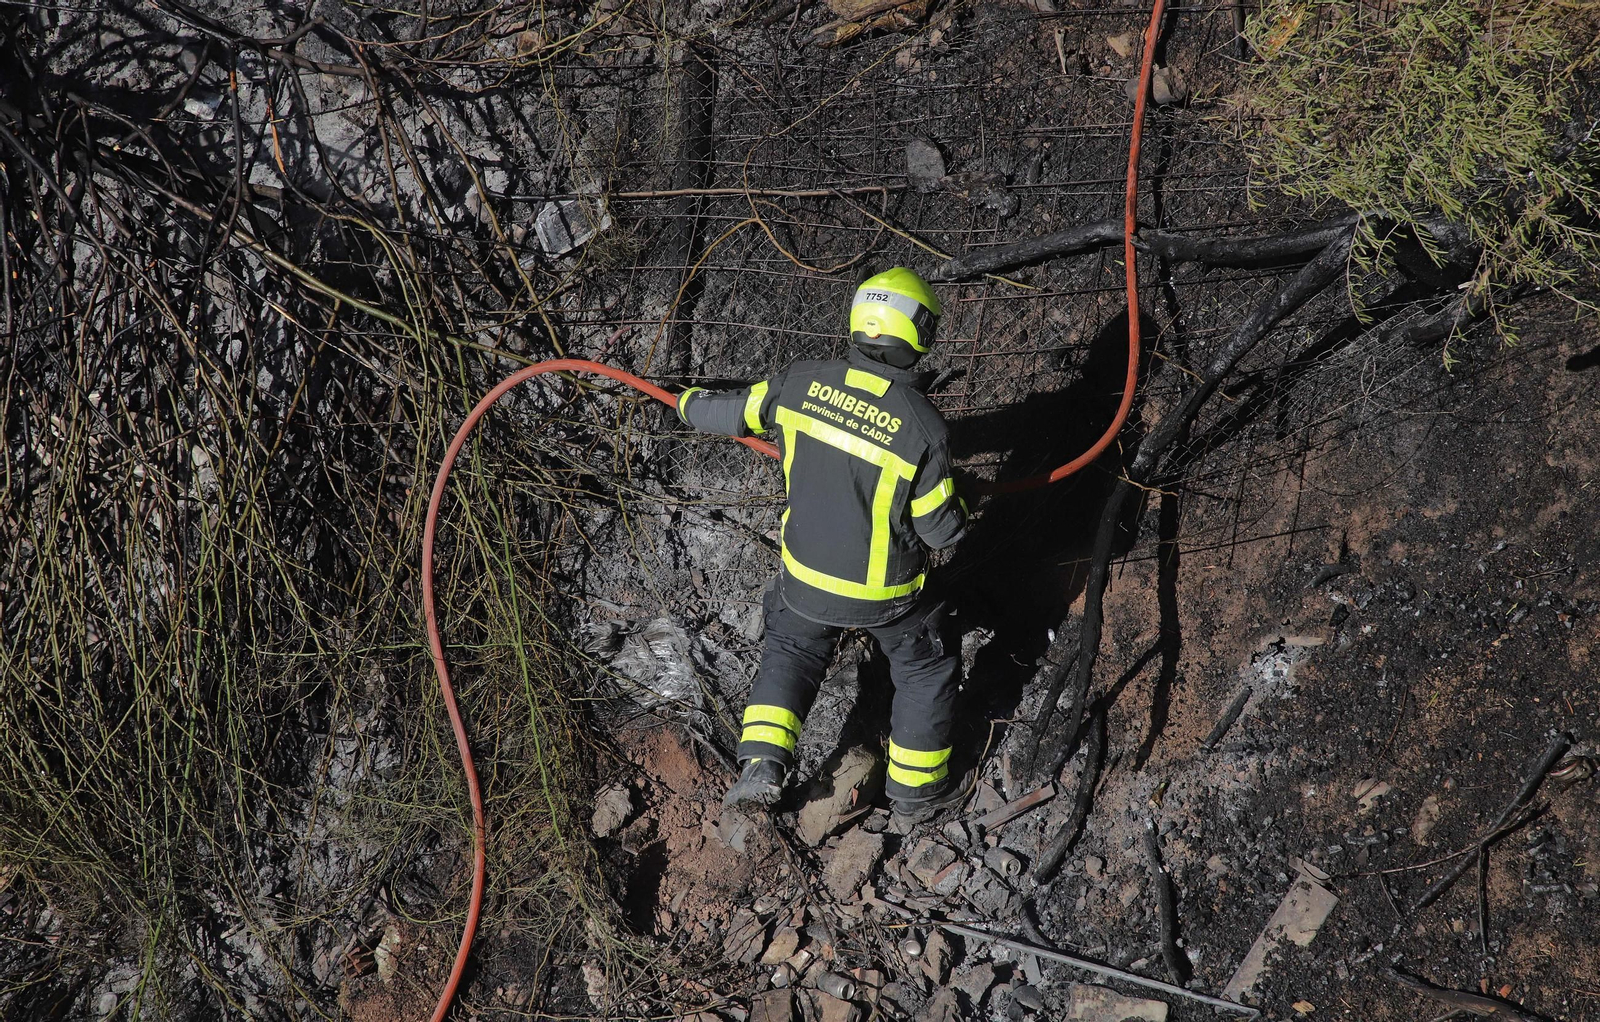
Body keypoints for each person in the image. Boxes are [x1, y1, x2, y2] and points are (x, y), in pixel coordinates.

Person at [675, 267, 969, 820]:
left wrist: (683, 403)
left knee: (789, 650)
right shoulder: (923, 427)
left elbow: (734, 410)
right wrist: (963, 499)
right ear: (917, 334)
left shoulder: (800, 383)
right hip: (885, 597)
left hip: (804, 580)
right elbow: (941, 531)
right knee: (923, 665)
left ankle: (761, 766)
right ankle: (917, 793)